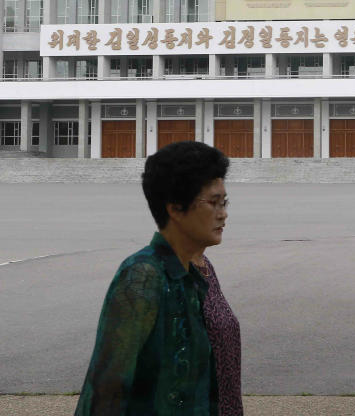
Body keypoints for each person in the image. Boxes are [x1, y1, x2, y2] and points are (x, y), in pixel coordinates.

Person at [75, 141, 242, 415]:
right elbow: (106, 390)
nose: (223, 214)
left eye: (224, 202)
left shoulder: (201, 269)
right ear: (175, 208)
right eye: (213, 203)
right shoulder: (143, 275)